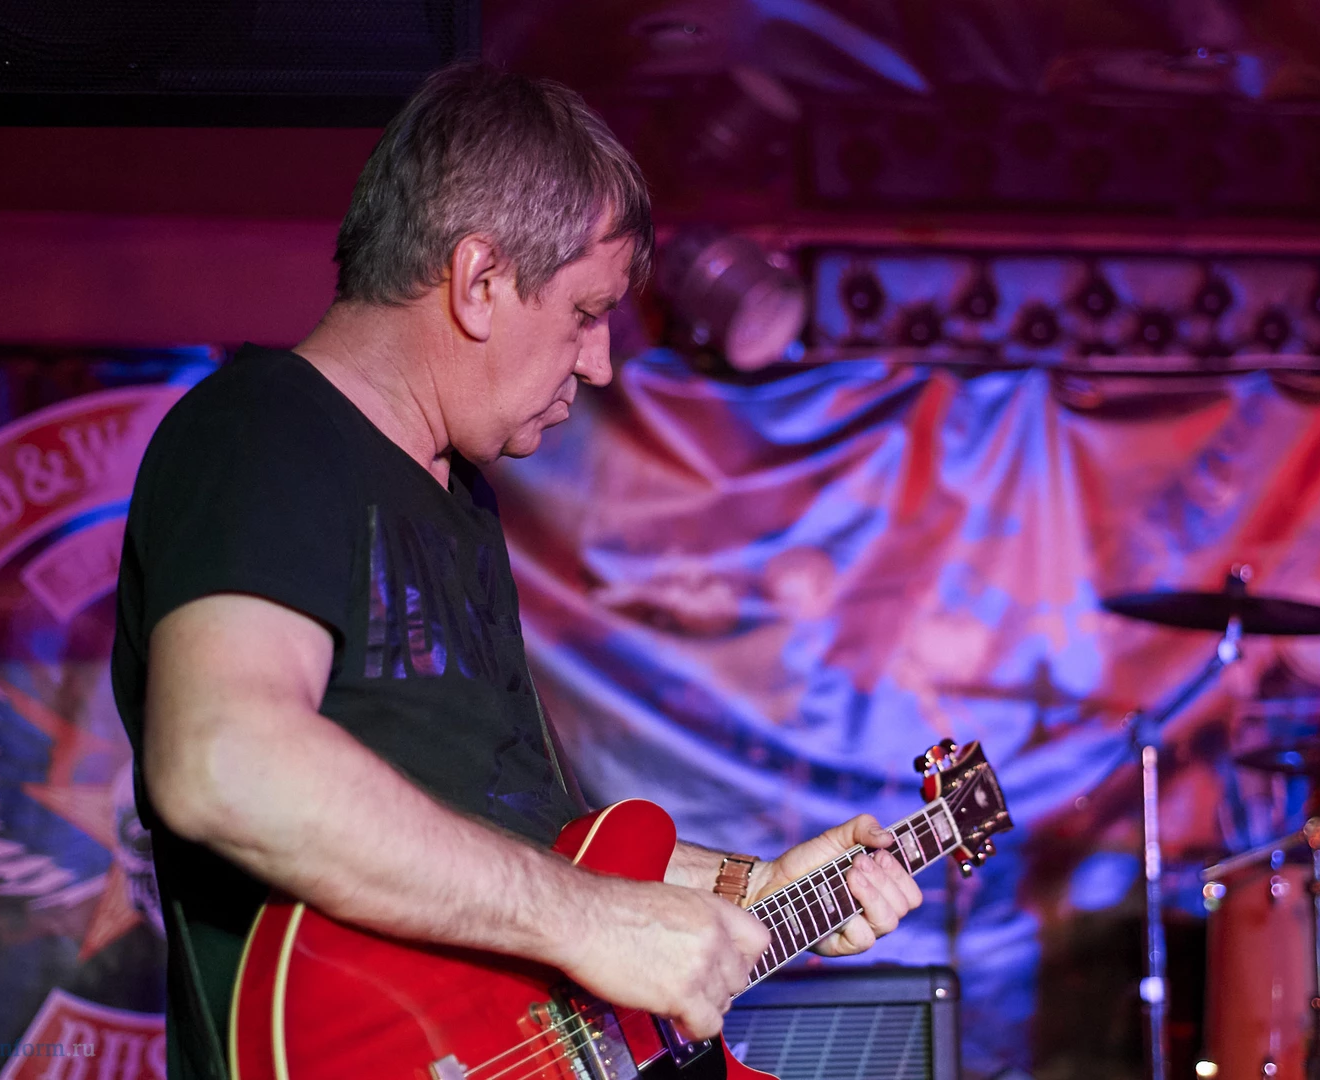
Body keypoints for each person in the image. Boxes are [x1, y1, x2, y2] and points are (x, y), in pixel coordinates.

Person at [111, 63, 923, 1080]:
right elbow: (224, 760)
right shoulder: (263, 430)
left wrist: (752, 888)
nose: (601, 362)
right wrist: (592, 923)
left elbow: (522, 834)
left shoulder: (460, 499)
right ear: (479, 280)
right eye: (587, 311)